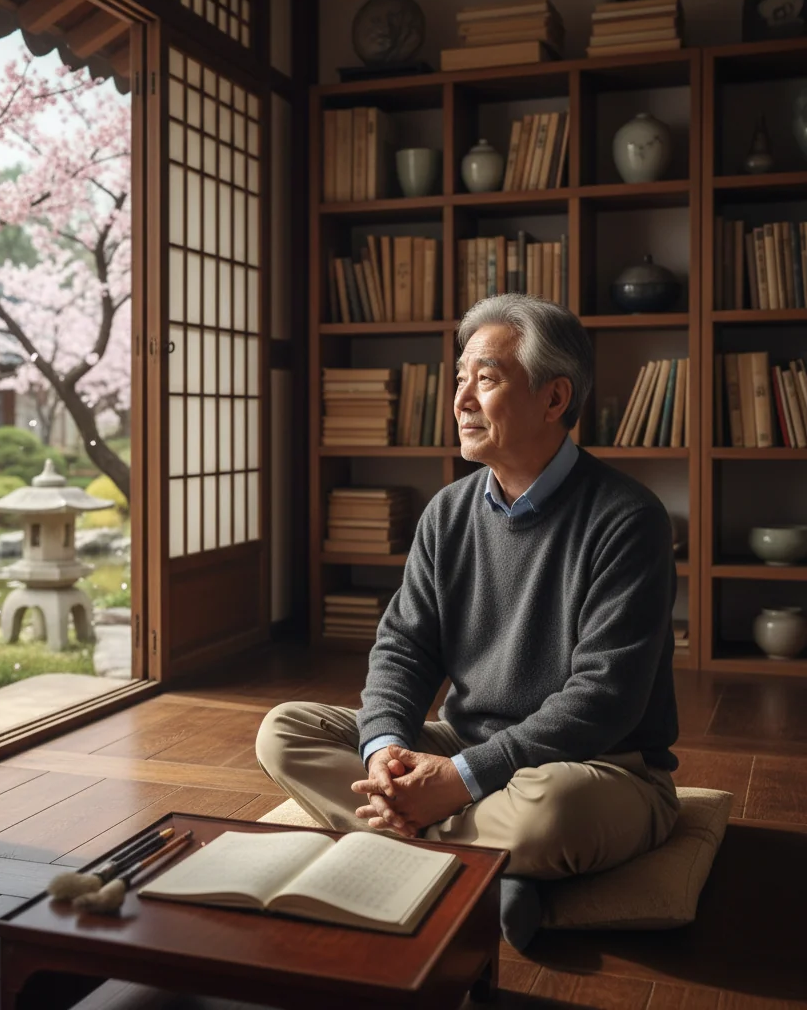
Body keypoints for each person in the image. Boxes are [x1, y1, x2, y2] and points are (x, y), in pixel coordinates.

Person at [255, 293, 680, 950]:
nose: (459, 401)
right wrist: (390, 749)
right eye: (461, 380)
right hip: (462, 743)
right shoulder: (447, 513)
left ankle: (443, 843)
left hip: (596, 768)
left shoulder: (628, 518)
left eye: (485, 379)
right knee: (284, 731)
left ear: (554, 397)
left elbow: (605, 698)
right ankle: (493, 863)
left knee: (551, 814)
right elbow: (404, 648)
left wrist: (455, 782)